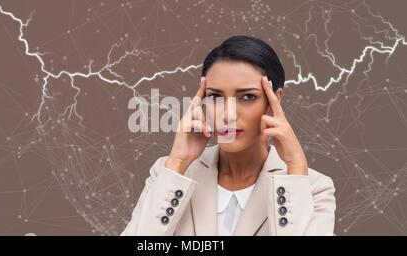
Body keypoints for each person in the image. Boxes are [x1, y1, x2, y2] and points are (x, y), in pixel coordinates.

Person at [121, 35, 336, 236]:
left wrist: (296, 168)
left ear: (273, 102)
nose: (228, 114)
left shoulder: (313, 188)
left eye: (248, 97)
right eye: (215, 97)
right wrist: (178, 161)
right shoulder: (168, 173)